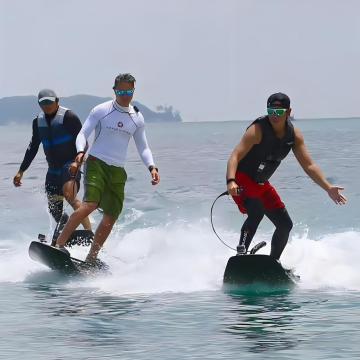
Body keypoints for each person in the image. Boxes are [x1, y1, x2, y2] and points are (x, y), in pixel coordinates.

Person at [226, 92, 347, 259]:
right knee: (257, 212)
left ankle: (273, 264)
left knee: (285, 224)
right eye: (271, 111)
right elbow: (235, 156)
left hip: (261, 183)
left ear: (288, 112)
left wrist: (328, 188)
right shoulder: (257, 130)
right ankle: (241, 255)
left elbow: (309, 165)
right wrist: (231, 181)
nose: (274, 116)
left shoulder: (294, 135)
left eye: (279, 112)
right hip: (242, 180)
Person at [55, 73, 160, 264]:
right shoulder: (102, 110)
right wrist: (80, 152)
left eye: (129, 91)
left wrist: (152, 167)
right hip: (96, 163)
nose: (125, 95)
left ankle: (92, 258)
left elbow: (143, 147)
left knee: (112, 215)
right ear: (114, 90)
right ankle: (59, 245)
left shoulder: (137, 117)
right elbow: (83, 133)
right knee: (90, 204)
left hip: (117, 170)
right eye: (121, 91)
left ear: (133, 90)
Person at [13, 89, 92, 244]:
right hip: (53, 169)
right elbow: (33, 147)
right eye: (43, 103)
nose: (47, 106)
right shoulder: (37, 122)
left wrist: (79, 159)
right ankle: (65, 233)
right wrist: (21, 171)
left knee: (69, 195)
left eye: (49, 102)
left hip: (70, 165)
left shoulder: (69, 117)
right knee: (54, 209)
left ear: (57, 101)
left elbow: (83, 141)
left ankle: (90, 233)